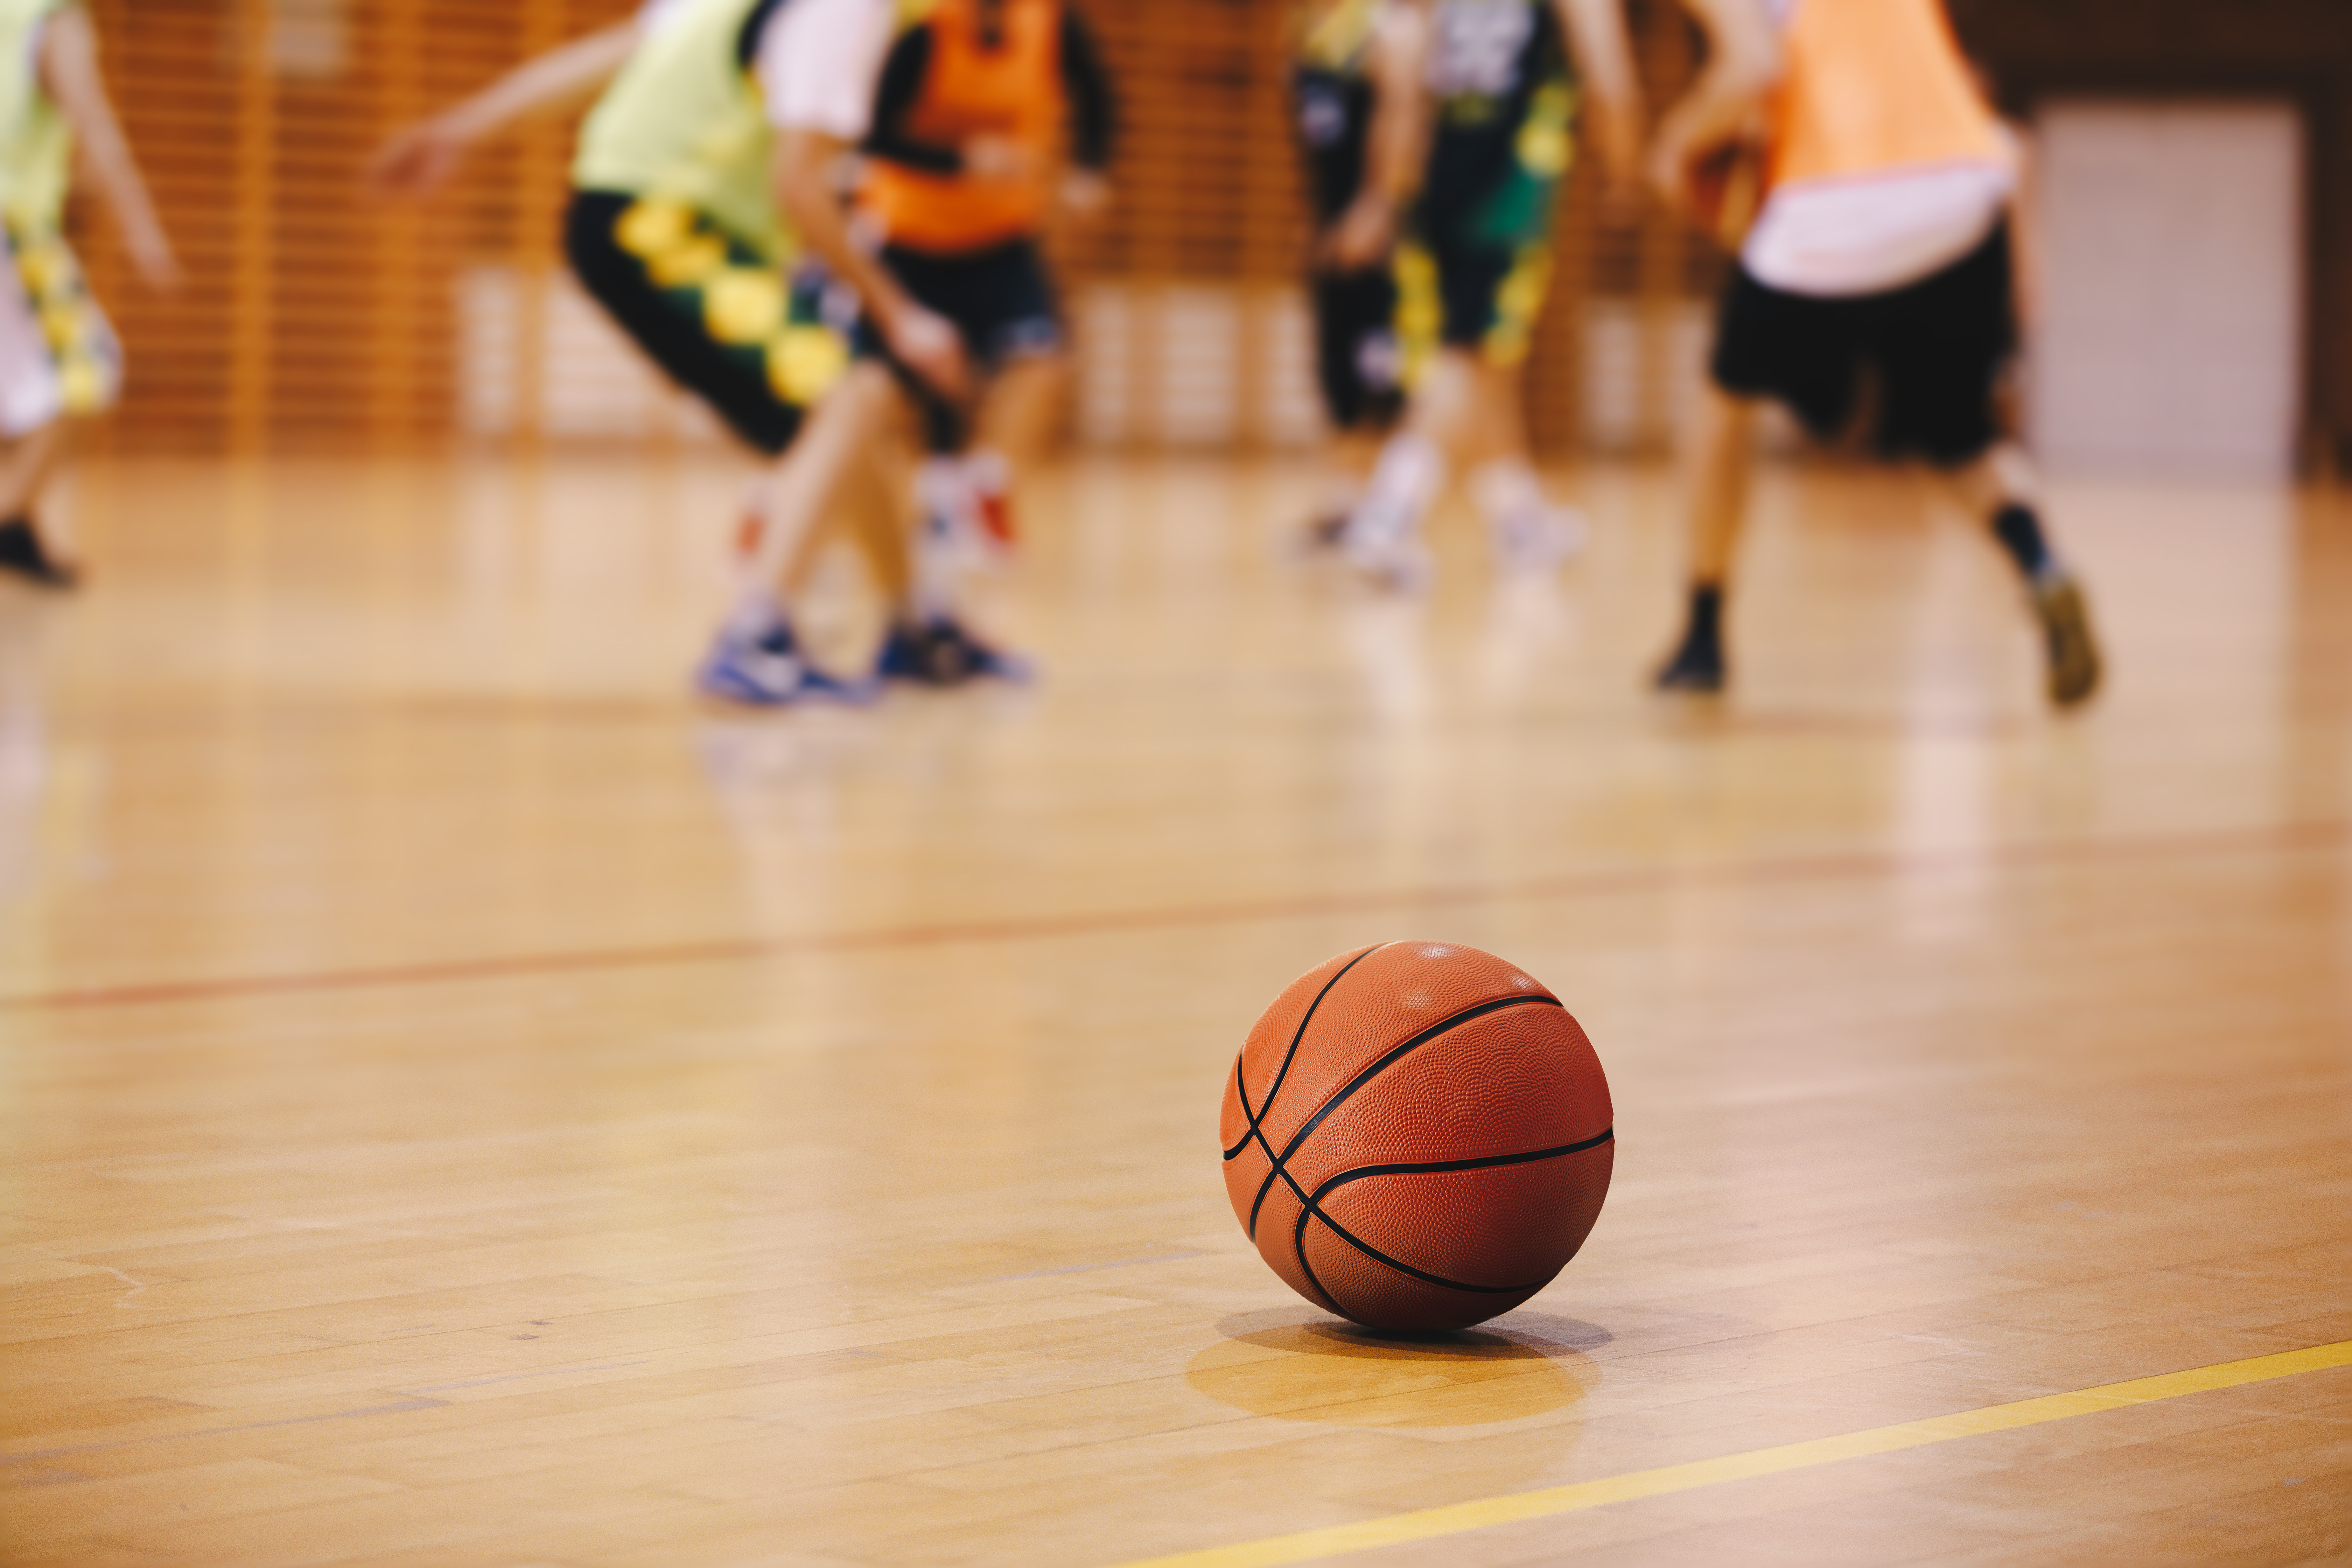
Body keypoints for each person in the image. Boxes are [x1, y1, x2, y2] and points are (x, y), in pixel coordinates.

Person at [373, 0, 918, 703]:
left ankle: (915, 627)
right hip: (666, 221)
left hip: (623, 214)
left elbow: (611, 51)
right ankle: (757, 635)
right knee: (852, 393)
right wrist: (900, 313)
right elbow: (798, 182)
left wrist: (463, 126)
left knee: (846, 419)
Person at [1648, 0, 2101, 706]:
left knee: (1723, 400)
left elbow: (1751, 68)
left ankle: (1702, 632)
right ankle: (2040, 562)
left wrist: (1675, 146)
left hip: (1834, 197)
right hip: (1962, 193)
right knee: (1960, 437)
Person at [707, 0, 1114, 694]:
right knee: (861, 403)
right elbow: (863, 140)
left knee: (1040, 362)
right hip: (903, 236)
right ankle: (783, 523)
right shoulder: (910, 27)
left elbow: (1100, 95)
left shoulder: (1049, 21)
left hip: (1000, 236)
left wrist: (1088, 170)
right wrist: (960, 159)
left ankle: (968, 498)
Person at [1325, 0, 1641, 590]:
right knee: (1465, 358)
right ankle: (1387, 517)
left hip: (1431, 182)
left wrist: (1384, 194)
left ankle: (1518, 521)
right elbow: (1609, 74)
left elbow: (1397, 70)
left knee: (1491, 358)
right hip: (1507, 195)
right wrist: (1625, 173)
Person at [0, 0, 177, 589]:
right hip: (13, 223)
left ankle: (17, 527)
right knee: (89, 370)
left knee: (29, 393)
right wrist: (141, 222)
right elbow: (92, 120)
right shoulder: (54, 16)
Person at [1292, 0, 1407, 546]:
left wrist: (1377, 206)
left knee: (1381, 371)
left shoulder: (1381, 27)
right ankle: (1344, 503)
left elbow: (1399, 114)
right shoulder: (1308, 31)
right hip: (1329, 223)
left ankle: (1386, 506)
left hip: (1379, 231)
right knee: (1334, 364)